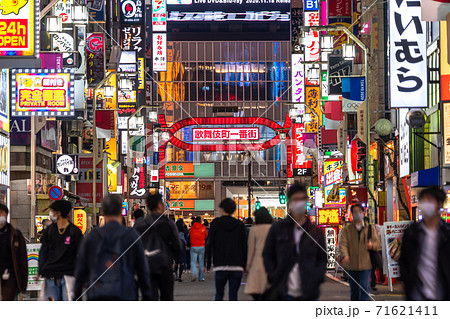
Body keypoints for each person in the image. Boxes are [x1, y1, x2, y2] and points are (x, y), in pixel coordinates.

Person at [74, 195, 151, 301]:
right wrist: (147, 296)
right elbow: (142, 270)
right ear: (121, 210)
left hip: (97, 294)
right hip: (125, 293)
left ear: (103, 211)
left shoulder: (92, 237)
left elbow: (80, 270)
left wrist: (76, 297)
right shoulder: (131, 235)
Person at [263, 183, 327, 301]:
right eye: (296, 199)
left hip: (309, 290)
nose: (299, 203)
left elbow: (322, 258)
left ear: (306, 200)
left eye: (302, 199)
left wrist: (317, 277)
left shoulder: (315, 232)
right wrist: (273, 275)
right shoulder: (278, 229)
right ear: (290, 202)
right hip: (284, 290)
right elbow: (268, 254)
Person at [400, 186, 450, 300]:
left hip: (443, 294)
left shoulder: (447, 233)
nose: (425, 204)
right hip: (417, 296)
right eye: (423, 200)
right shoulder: (411, 232)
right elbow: (404, 261)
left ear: (440, 204)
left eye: (429, 200)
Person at [134, 193, 181, 301]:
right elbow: (177, 246)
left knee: (149, 298)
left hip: (146, 267)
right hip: (165, 266)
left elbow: (134, 248)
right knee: (167, 297)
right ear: (160, 205)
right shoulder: (168, 224)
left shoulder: (140, 225)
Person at [39, 200, 83, 301]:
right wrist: (41, 269)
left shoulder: (74, 232)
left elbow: (81, 254)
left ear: (58, 213)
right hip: (51, 275)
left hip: (69, 276)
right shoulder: (49, 231)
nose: (50, 213)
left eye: (52, 211)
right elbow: (43, 251)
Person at [206, 198, 247, 301]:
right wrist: (245, 265)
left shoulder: (215, 224)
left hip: (220, 265)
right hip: (237, 265)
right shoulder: (240, 225)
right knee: (233, 296)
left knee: (219, 294)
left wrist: (207, 264)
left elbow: (210, 244)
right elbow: (244, 246)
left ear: (222, 209)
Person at [338, 204, 381, 301]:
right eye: (355, 212)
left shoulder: (370, 229)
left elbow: (378, 243)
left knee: (364, 287)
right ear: (352, 214)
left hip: (366, 264)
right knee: (354, 289)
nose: (357, 214)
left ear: (363, 213)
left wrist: (372, 245)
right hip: (352, 264)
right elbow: (343, 243)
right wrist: (345, 255)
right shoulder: (347, 229)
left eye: (359, 212)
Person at [0, 203, 28, 300]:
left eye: (1, 213)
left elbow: (23, 259)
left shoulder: (15, 235)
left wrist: (23, 284)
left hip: (10, 276)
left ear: (6, 215)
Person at [244, 207, 273, 300]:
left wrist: (247, 266)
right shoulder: (273, 228)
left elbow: (251, 248)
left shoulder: (254, 229)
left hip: (257, 263)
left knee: (257, 293)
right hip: (271, 264)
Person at [189, 216, 208, 282]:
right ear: (200, 221)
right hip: (201, 246)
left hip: (193, 246)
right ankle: (201, 277)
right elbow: (206, 236)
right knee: (201, 262)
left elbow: (190, 235)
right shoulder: (203, 228)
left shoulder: (191, 228)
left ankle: (194, 274)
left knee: (193, 262)